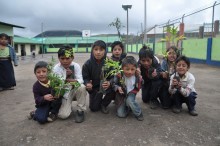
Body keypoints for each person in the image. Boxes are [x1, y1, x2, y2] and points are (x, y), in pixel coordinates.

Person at [53, 46, 87, 123]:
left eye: (67, 58)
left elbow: (81, 80)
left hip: (75, 90)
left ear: (72, 58)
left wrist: (74, 80)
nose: (65, 61)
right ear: (59, 58)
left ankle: (80, 110)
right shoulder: (56, 68)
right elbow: (57, 84)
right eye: (62, 58)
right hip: (65, 93)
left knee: (82, 87)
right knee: (62, 115)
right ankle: (68, 106)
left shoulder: (76, 66)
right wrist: (66, 76)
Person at [82, 40, 114, 113]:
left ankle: (104, 104)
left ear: (105, 51)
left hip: (106, 86)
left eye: (101, 49)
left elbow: (113, 76)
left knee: (114, 88)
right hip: (95, 88)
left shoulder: (110, 63)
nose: (98, 52)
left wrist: (109, 82)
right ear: (92, 50)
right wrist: (87, 84)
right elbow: (85, 77)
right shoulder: (87, 64)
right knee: (93, 108)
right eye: (96, 49)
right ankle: (96, 98)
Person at [113, 56, 144, 121]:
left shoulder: (136, 75)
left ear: (136, 69)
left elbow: (141, 85)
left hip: (131, 93)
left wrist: (140, 77)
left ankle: (138, 113)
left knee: (130, 100)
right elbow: (113, 84)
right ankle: (128, 107)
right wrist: (118, 87)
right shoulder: (119, 74)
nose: (130, 72)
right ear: (122, 68)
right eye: (127, 69)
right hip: (122, 95)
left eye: (132, 69)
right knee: (121, 114)